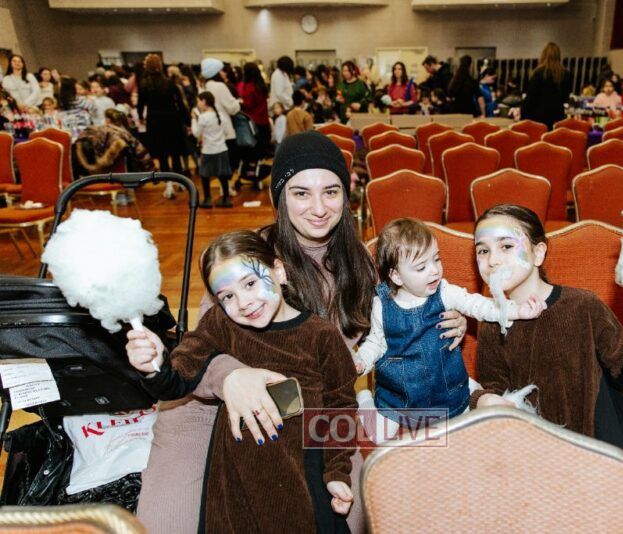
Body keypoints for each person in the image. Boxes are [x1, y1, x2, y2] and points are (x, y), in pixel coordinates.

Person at [134, 130, 470, 534]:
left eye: (330, 191)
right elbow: (202, 344)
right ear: (280, 198)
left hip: (310, 411)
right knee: (171, 525)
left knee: (350, 516)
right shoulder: (250, 260)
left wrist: (446, 318)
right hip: (210, 410)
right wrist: (231, 377)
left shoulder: (360, 265)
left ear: (347, 195)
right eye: (301, 193)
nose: (318, 208)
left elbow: (399, 315)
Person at [126, 230, 357, 533]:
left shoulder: (321, 336)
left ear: (279, 271)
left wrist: (337, 473)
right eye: (228, 296)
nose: (244, 302)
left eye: (250, 283)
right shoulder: (220, 325)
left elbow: (341, 407)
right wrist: (154, 364)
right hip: (235, 487)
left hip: (304, 479)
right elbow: (176, 380)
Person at [470, 204, 623, 532]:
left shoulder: (583, 306)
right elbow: (494, 387)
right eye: (483, 250)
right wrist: (483, 399)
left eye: (506, 246)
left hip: (600, 447)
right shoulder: (493, 324)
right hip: (537, 456)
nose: (492, 260)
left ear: (538, 253)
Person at [354, 218, 546, 436]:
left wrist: (515, 310)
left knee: (472, 427)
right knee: (379, 435)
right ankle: (365, 399)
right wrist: (362, 360)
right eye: (421, 267)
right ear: (396, 275)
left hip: (447, 391)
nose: (434, 271)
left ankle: (469, 386)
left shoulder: (445, 292)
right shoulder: (381, 306)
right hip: (398, 397)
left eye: (436, 259)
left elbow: (479, 305)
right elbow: (375, 343)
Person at [137, 53, 189, 198]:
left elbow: (140, 104)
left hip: (155, 120)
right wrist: (187, 121)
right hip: (172, 119)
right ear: (160, 66)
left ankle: (168, 185)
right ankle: (180, 182)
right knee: (176, 153)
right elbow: (180, 104)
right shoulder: (170, 83)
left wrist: (141, 117)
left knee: (162, 155)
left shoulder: (144, 84)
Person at [192, 91, 234, 208]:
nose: (198, 103)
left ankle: (207, 199)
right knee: (222, 174)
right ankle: (226, 198)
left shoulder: (203, 117)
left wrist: (194, 119)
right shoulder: (221, 115)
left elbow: (196, 133)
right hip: (222, 149)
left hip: (208, 150)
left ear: (204, 101)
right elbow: (226, 132)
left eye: (199, 101)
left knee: (205, 175)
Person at [202, 58, 240, 177]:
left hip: (210, 131)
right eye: (221, 71)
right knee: (228, 164)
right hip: (225, 130)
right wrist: (238, 102)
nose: (224, 73)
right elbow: (232, 108)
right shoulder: (220, 86)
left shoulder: (204, 86)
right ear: (215, 72)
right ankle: (227, 185)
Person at [521, 43, 571, 129]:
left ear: (544, 55)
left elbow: (530, 98)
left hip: (538, 118)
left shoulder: (538, 73)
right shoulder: (565, 74)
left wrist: (523, 117)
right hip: (557, 117)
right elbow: (565, 98)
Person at [238, 62, 272, 176]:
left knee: (252, 148)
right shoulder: (261, 85)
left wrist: (239, 103)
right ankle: (257, 169)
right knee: (261, 147)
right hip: (263, 120)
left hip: (252, 122)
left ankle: (250, 170)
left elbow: (248, 104)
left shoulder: (249, 87)